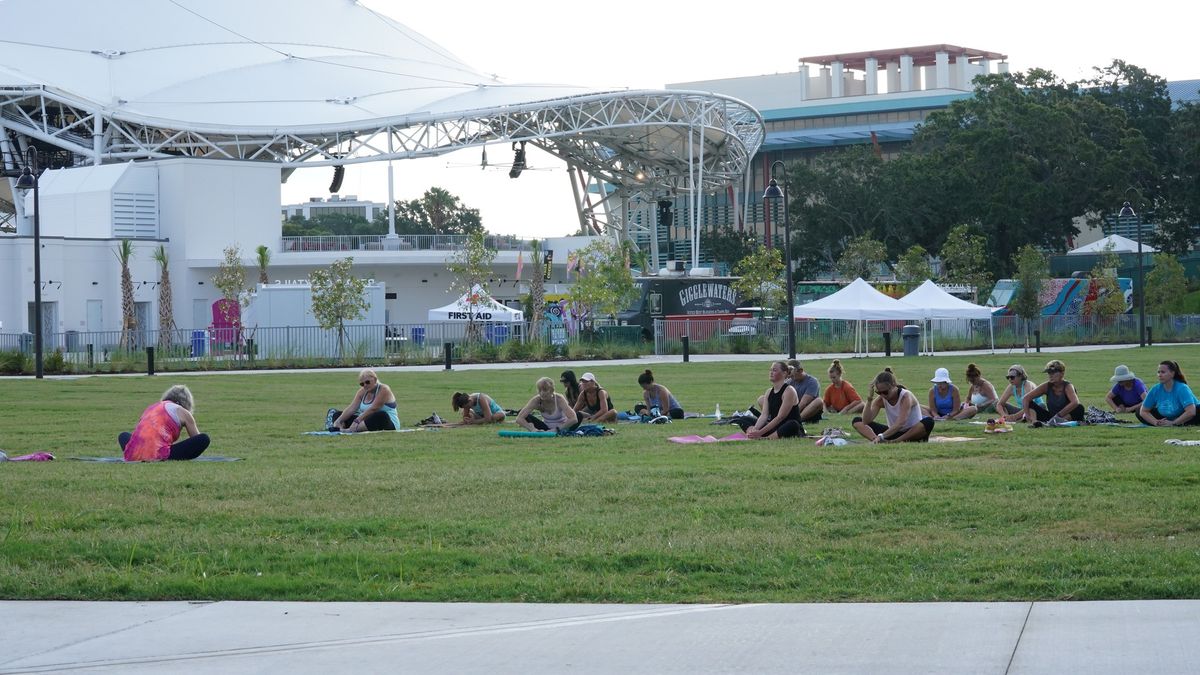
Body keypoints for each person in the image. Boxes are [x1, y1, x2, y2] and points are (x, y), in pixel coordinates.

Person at [119, 384, 210, 461]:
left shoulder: (152, 408)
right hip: (158, 454)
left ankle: (135, 451)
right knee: (204, 439)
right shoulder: (183, 412)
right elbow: (196, 437)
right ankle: (154, 454)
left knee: (123, 435)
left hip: (132, 454)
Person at [852, 369, 934, 443]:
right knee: (857, 421)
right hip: (893, 433)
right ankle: (877, 441)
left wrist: (881, 436)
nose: (883, 395)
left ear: (894, 385)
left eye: (885, 392)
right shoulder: (881, 399)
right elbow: (866, 421)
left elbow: (900, 423)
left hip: (913, 433)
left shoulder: (905, 396)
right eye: (879, 392)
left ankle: (893, 442)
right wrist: (869, 400)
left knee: (928, 422)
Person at [735, 361, 804, 439]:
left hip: (789, 428)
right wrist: (755, 430)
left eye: (774, 370)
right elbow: (764, 415)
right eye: (770, 370)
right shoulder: (769, 392)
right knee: (743, 419)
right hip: (774, 428)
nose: (771, 372)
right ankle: (752, 435)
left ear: (784, 373)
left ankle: (764, 438)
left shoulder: (789, 391)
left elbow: (780, 417)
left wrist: (760, 432)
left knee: (793, 424)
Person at [328, 369, 400, 432]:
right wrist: (338, 420)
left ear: (375, 379)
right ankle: (341, 429)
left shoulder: (384, 389)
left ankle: (349, 430)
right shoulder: (362, 392)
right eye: (362, 384)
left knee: (381, 415)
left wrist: (357, 421)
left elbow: (373, 409)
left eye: (367, 382)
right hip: (364, 421)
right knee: (337, 414)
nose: (365, 385)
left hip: (386, 422)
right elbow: (351, 408)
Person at [1020, 359, 1084, 423]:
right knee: (1030, 404)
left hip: (1065, 416)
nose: (1050, 375)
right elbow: (1026, 398)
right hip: (1051, 417)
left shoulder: (1068, 386)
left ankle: (1058, 422)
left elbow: (1075, 402)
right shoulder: (1046, 386)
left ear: (1062, 373)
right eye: (1049, 373)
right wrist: (1028, 416)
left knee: (1079, 408)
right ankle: (1034, 422)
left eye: (1053, 373)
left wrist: (1058, 415)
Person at [1137, 361, 1199, 427]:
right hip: (1166, 417)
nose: (1160, 375)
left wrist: (1173, 423)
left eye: (1163, 372)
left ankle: (1179, 422)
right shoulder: (1155, 389)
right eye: (1158, 372)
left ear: (1172, 374)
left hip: (1188, 416)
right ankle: (1165, 423)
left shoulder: (1182, 388)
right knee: (1138, 411)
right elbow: (1143, 411)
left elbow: (1191, 412)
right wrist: (1155, 422)